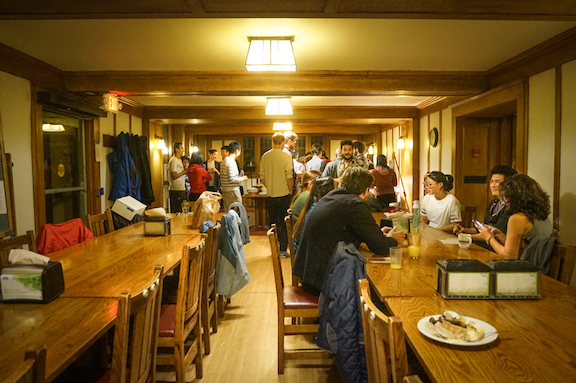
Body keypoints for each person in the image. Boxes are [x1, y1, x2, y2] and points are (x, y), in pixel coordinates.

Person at [293, 166, 405, 296]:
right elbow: (381, 247)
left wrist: (378, 233)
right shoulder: (355, 204)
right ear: (366, 190)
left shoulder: (333, 196)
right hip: (322, 281)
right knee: (376, 290)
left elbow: (347, 228)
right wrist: (393, 239)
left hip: (309, 274)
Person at [477, 174, 552, 258]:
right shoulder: (543, 216)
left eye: (505, 196)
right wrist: (500, 235)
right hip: (541, 263)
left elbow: (509, 255)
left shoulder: (517, 219)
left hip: (526, 267)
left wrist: (489, 237)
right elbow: (526, 246)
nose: (503, 201)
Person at [453, 165, 517, 249]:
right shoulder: (493, 203)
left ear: (508, 184)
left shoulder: (511, 206)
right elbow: (485, 226)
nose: (493, 185)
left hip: (497, 247)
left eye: (497, 182)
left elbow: (495, 234)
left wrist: (467, 237)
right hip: (485, 242)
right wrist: (465, 230)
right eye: (491, 181)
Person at [260, 133, 294, 257]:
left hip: (271, 194)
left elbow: (262, 176)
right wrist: (290, 190)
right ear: (283, 142)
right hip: (284, 194)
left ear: (272, 142)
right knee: (284, 222)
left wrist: (270, 186)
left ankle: (274, 247)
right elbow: (289, 177)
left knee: (273, 222)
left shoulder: (265, 156)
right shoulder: (286, 156)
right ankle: (283, 249)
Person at [221, 141, 248, 210]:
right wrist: (243, 178)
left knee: (228, 212)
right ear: (237, 151)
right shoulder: (231, 162)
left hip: (226, 190)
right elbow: (232, 179)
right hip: (232, 191)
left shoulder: (224, 160)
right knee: (236, 212)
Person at [168, 142, 187, 213]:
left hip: (181, 187)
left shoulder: (179, 160)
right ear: (177, 149)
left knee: (181, 209)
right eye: (181, 148)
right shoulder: (173, 160)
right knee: (176, 210)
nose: (183, 150)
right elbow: (174, 175)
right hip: (175, 189)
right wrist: (184, 172)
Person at [283, 131, 298, 195]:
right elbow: (289, 171)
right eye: (294, 141)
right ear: (289, 140)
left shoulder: (282, 151)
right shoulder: (287, 153)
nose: (294, 143)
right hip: (286, 185)